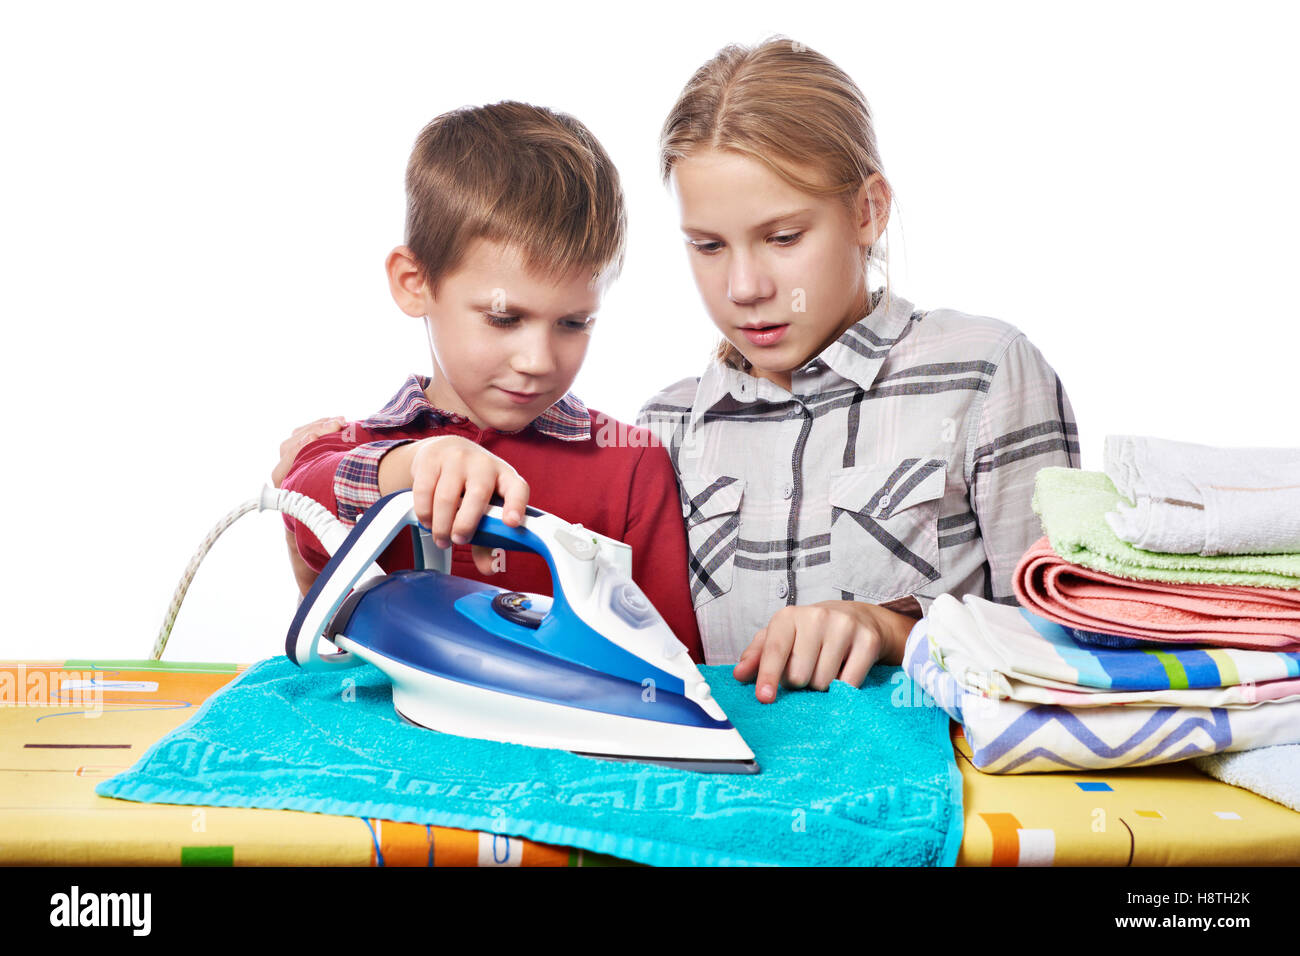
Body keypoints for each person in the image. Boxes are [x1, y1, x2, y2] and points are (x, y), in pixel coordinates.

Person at [635, 38, 1080, 700]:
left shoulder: (985, 375)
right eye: (708, 245)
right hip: (730, 797)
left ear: (867, 211)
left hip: (946, 794)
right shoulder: (664, 426)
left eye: (783, 238)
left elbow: (1078, 647)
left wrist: (896, 631)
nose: (744, 286)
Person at [276, 101, 703, 662]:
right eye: (505, 319)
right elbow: (300, 495)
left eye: (573, 323)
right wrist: (413, 467)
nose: (537, 359)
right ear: (414, 283)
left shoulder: (631, 467)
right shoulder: (353, 450)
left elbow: (679, 668)